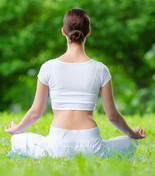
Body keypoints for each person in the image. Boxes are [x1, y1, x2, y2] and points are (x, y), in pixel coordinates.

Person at [5, 8, 146, 160]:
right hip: (92, 147)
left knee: (17, 140)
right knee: (130, 143)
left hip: (56, 146)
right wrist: (132, 133)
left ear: (63, 32)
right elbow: (112, 116)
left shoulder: (48, 67)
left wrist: (16, 129)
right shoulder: (101, 69)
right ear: (89, 32)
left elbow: (36, 113)